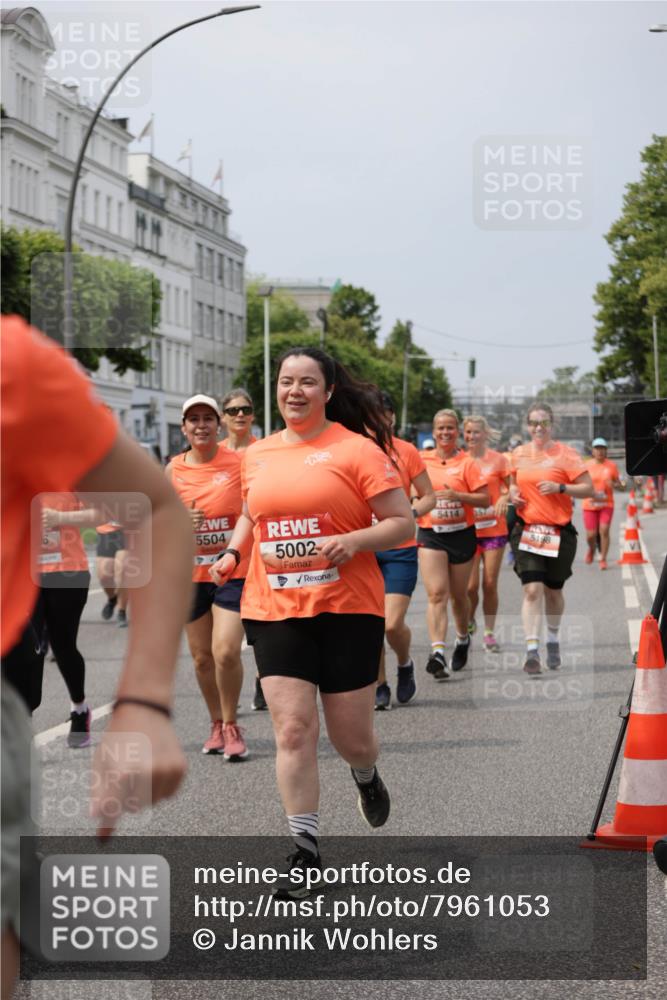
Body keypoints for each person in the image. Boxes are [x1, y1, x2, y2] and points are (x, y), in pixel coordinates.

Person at [1, 315, 192, 998]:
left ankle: (83, 706)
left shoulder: (16, 366)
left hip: (40, 604)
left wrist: (142, 703)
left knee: (67, 647)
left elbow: (154, 509)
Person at [210, 347, 413, 891]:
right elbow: (251, 513)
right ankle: (305, 851)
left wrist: (354, 540)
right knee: (294, 729)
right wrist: (232, 552)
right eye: (285, 381)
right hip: (274, 607)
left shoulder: (357, 450)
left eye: (306, 382)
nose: (294, 391)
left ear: (328, 392)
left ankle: (365, 775)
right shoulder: (258, 454)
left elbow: (402, 523)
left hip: (348, 608)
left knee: (353, 739)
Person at [166, 394, 249, 760]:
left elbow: (254, 509)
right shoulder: (173, 470)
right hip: (189, 574)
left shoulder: (239, 463)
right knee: (202, 658)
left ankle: (232, 724)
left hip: (232, 570)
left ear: (219, 425)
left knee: (226, 651)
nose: (201, 426)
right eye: (194, 420)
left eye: (207, 419)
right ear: (184, 428)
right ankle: (216, 723)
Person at [508, 403, 593, 675]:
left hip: (559, 532)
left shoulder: (567, 455)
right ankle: (532, 650)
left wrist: (561, 487)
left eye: (544, 422)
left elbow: (588, 488)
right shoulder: (519, 454)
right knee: (532, 590)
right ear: (527, 426)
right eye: (534, 423)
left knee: (553, 591)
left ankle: (552, 639)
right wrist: (512, 494)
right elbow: (512, 483)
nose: (538, 427)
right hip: (528, 529)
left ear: (552, 425)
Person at [417, 410, 490, 680]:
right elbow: (410, 490)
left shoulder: (467, 463)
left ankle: (462, 638)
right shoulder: (421, 460)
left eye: (450, 428)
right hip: (431, 534)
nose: (445, 432)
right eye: (441, 428)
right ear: (434, 432)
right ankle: (437, 652)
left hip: (461, 534)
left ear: (457, 432)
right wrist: (416, 501)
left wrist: (456, 495)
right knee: (437, 594)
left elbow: (485, 499)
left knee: (459, 597)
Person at [374, 392, 435, 710]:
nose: (377, 420)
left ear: (392, 417)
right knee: (371, 624)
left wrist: (408, 513)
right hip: (365, 548)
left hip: (400, 549)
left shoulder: (406, 451)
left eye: (383, 413)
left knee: (391, 623)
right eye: (371, 414)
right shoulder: (353, 450)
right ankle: (380, 685)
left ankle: (405, 662)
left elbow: (429, 496)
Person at [36, 494, 101, 746]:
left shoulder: (70, 477)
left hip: (67, 572)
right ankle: (19, 725)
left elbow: (100, 515)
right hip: (21, 575)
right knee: (27, 651)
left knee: (63, 646)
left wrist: (59, 517)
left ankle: (79, 708)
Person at [463, 416, 511, 653]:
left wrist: (504, 497)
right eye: (468, 432)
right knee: (470, 587)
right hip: (468, 530)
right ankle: (470, 618)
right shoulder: (460, 461)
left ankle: (489, 633)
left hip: (494, 530)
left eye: (476, 432)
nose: (472, 436)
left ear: (485, 434)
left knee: (490, 584)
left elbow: (513, 487)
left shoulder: (499, 460)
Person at [582, 437, 624, 570]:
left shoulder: (612, 466)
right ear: (593, 451)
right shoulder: (586, 465)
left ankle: (603, 558)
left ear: (606, 451)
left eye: (602, 448)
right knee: (591, 535)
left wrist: (615, 485)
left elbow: (621, 485)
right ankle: (592, 549)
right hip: (589, 504)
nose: (600, 451)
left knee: (604, 530)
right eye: (597, 448)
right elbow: (579, 482)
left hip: (607, 504)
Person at [95, 520, 129, 627]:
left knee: (122, 571)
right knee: (104, 576)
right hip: (105, 531)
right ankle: (112, 599)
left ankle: (121, 611)